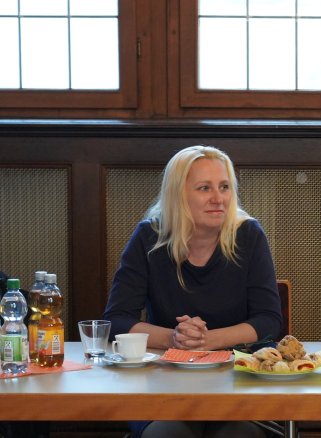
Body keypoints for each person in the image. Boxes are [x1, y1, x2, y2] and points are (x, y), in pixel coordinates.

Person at [104, 145, 282, 438]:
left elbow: (269, 319)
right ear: (178, 195)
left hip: (238, 376)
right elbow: (118, 319)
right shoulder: (149, 236)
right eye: (204, 188)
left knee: (235, 435)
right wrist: (174, 339)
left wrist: (206, 342)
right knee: (168, 434)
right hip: (165, 379)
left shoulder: (249, 234)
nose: (218, 198)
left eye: (224, 187)